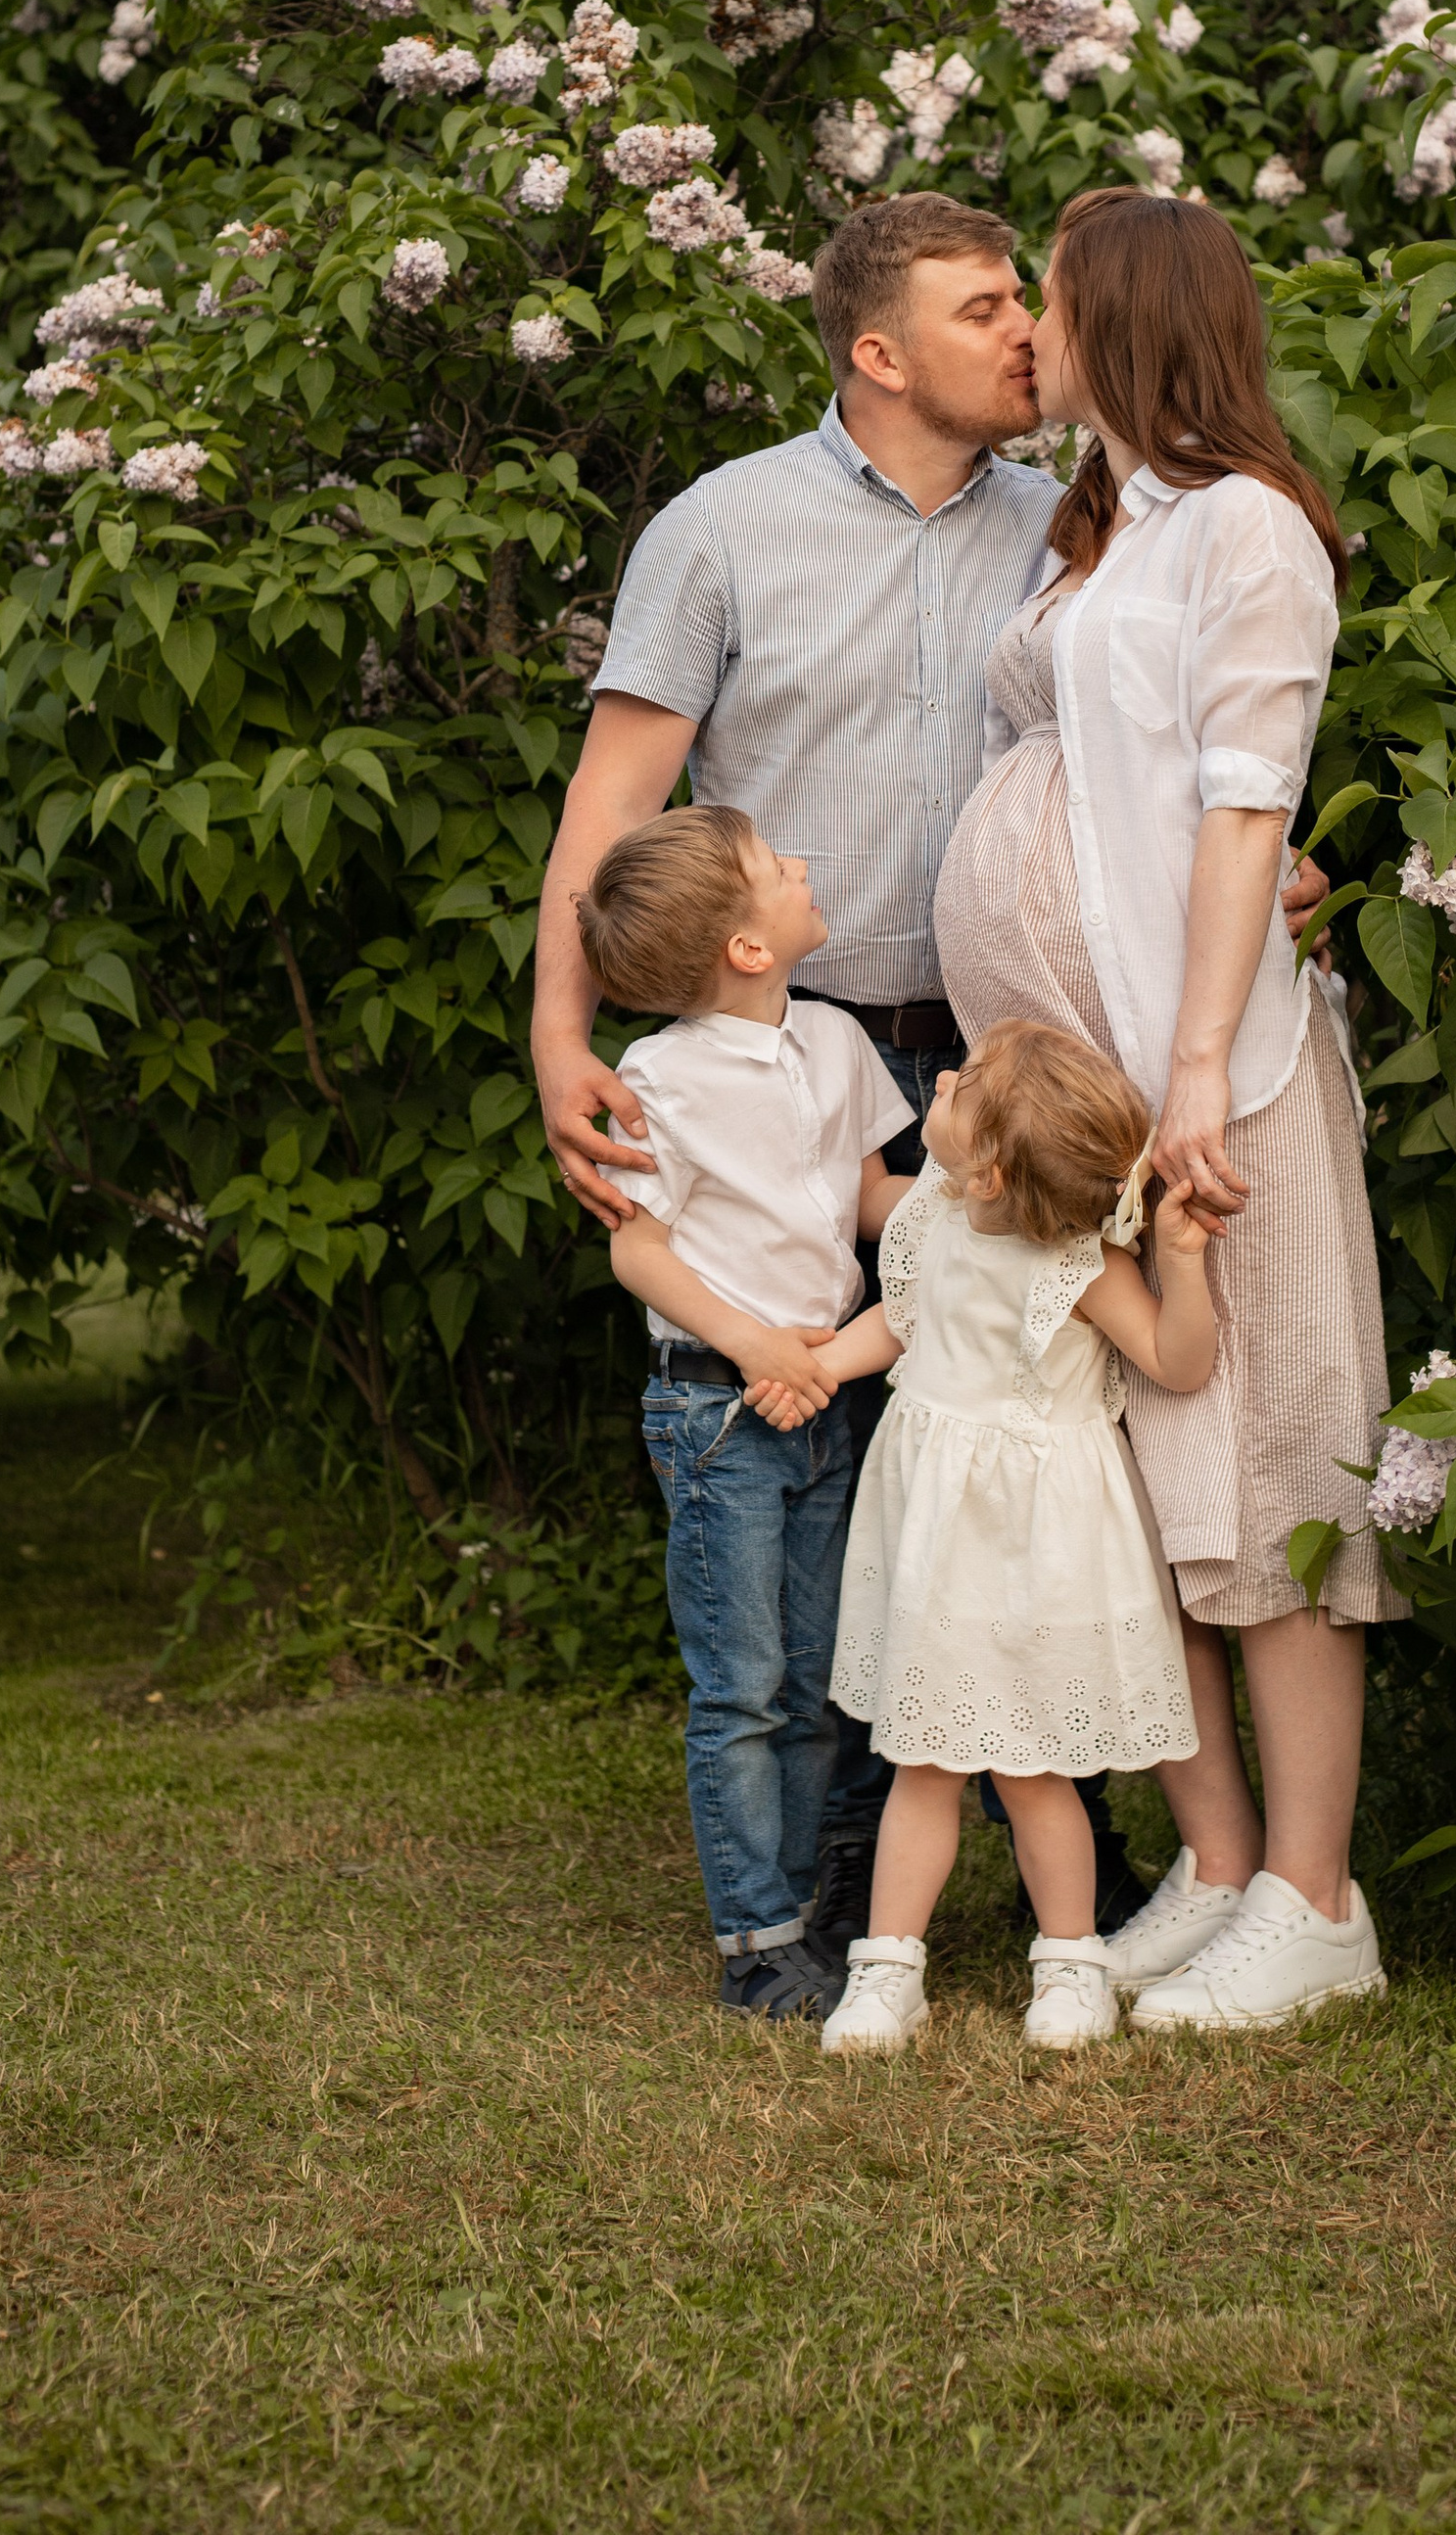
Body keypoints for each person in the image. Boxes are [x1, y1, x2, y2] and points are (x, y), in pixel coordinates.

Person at [536, 193, 1304, 1946]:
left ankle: (1074, 1867)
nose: (1029, 332)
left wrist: (1268, 872)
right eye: (984, 309)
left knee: (1038, 1444)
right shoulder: (722, 529)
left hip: (1005, 1050)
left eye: (1026, 301)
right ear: (878, 353)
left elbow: (1175, 745)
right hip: (788, 1053)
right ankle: (826, 1892)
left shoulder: (1076, 521)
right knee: (827, 1466)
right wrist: (561, 1036)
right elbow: (613, 802)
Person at [932, 183, 1402, 2037]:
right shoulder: (1110, 524)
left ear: (1123, 315)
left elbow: (1241, 801)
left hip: (1212, 1080)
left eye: (1045, 302)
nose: (1028, 335)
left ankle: (1317, 1898)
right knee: (1133, 1483)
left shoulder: (1247, 530)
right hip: (1092, 1079)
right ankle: (1218, 1868)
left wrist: (1200, 1062)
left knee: (1266, 1473)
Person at [813, 1023, 1218, 2057]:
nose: (942, 1077)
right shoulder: (933, 1213)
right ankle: (888, 1968)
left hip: (1043, 1542)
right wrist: (818, 1364)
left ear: (991, 1167)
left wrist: (1180, 1262)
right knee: (922, 1757)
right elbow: (903, 1322)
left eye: (961, 1087)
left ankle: (1071, 1961)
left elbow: (1175, 1362)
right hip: (937, 1534)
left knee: (1034, 1768)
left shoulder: (1080, 1265)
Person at [577, 802, 917, 2021]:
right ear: (745, 947)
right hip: (719, 1414)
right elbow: (639, 1250)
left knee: (817, 1677)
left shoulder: (833, 1040)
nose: (804, 864)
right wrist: (758, 1345)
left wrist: (981, 1217)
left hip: (822, 1399)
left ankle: (808, 1911)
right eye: (777, 866)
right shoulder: (658, 1080)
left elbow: (870, 1197)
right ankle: (756, 1947)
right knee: (744, 1685)